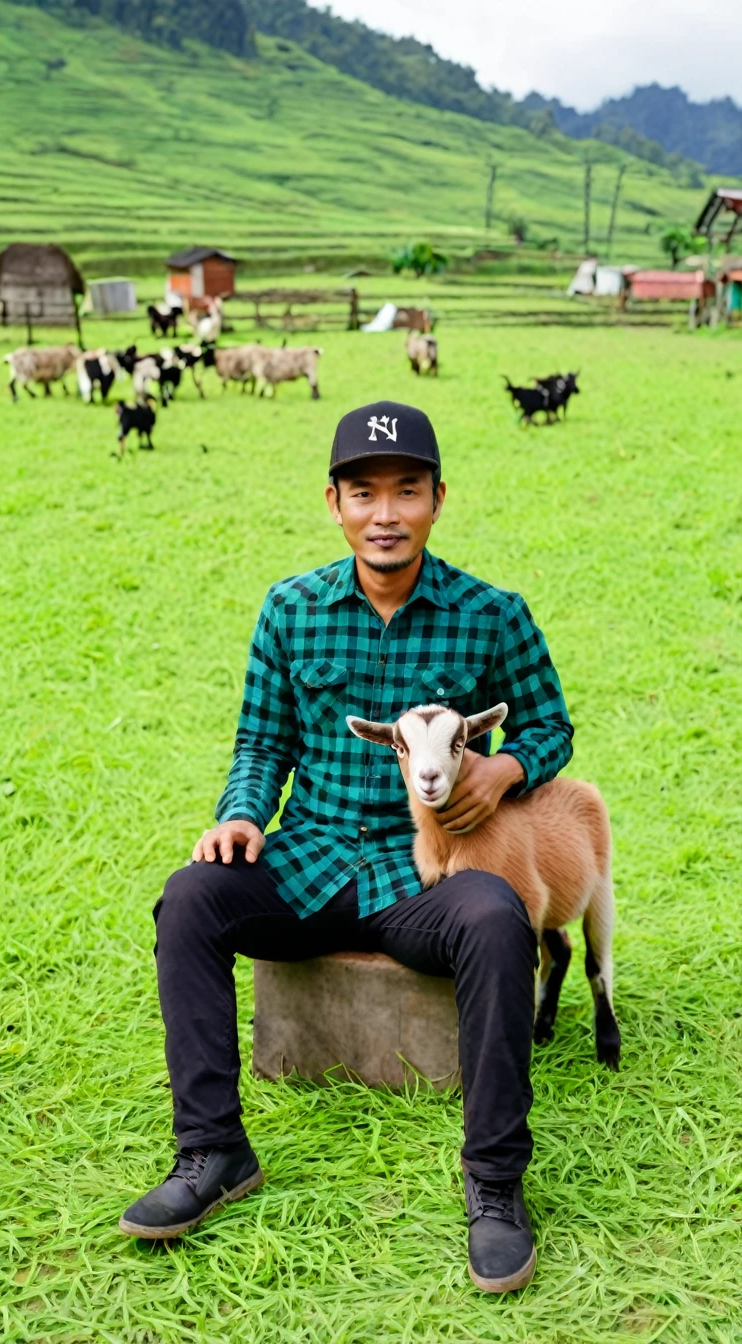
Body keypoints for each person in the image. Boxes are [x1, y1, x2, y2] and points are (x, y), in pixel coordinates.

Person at [119, 400, 574, 1293]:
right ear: (334, 503)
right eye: (364, 492)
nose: (386, 513)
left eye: (407, 490)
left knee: (494, 921)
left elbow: (553, 724)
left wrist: (507, 769)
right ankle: (212, 1152)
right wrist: (244, 814)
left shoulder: (492, 614)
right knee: (192, 897)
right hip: (315, 855)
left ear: (439, 499)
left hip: (429, 872)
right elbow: (261, 744)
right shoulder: (290, 610)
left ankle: (495, 1182)